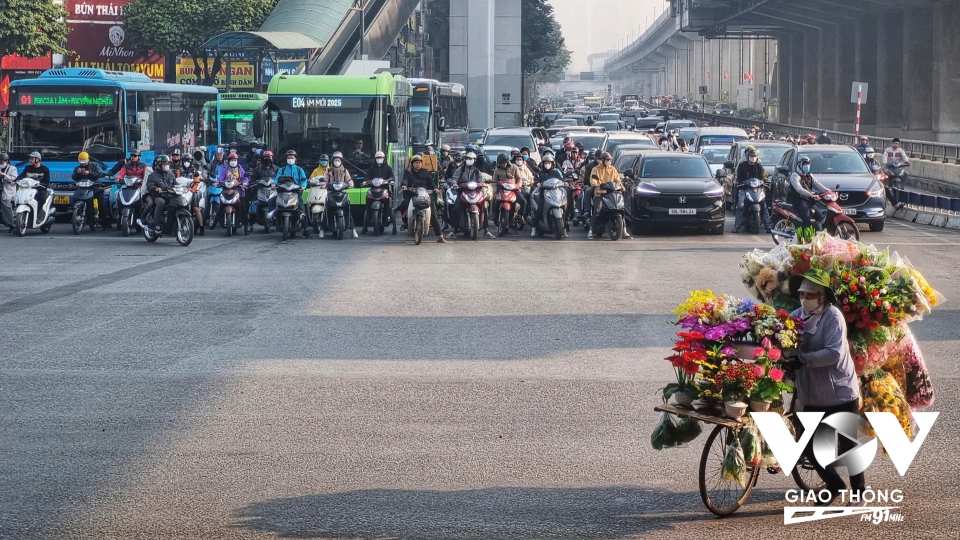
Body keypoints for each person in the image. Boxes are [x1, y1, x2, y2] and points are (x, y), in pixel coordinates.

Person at [788, 268, 863, 506]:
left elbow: (834, 353)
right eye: (801, 294)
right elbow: (785, 340)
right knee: (809, 445)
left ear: (822, 296)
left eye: (810, 295)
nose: (804, 299)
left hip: (840, 392)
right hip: (812, 394)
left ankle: (859, 493)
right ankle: (833, 485)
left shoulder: (833, 317)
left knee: (848, 445)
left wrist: (803, 359)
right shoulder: (795, 317)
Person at [397, 155, 446, 242]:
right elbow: (405, 180)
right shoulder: (408, 172)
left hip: (425, 194)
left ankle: (440, 236)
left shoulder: (426, 172)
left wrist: (435, 188)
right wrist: (404, 185)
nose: (417, 164)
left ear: (421, 164)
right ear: (412, 164)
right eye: (416, 163)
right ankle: (405, 222)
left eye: (419, 163)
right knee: (403, 205)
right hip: (413, 194)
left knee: (433, 214)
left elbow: (431, 182)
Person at [449, 151, 493, 239]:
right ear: (465, 159)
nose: (469, 160)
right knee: (456, 207)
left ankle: (486, 231)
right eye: (468, 158)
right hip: (463, 191)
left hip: (475, 192)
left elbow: (480, 181)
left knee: (483, 207)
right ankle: (453, 230)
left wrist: (481, 185)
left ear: (474, 160)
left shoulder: (477, 171)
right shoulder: (460, 169)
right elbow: (454, 178)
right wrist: (454, 183)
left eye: (471, 159)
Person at [587, 152, 630, 240]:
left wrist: (621, 186)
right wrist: (596, 184)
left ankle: (624, 231)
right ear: (602, 160)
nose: (609, 161)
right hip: (600, 193)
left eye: (610, 160)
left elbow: (617, 180)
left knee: (621, 209)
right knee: (596, 210)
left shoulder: (612, 169)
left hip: (612, 193)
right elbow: (593, 179)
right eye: (607, 160)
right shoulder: (596, 169)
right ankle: (590, 231)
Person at [788, 155, 829, 243]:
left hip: (809, 201)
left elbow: (818, 185)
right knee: (807, 220)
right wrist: (811, 195)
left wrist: (829, 191)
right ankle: (805, 240)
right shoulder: (795, 176)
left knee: (821, 218)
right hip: (799, 201)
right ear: (800, 165)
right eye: (805, 164)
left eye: (808, 164)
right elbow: (799, 189)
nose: (807, 166)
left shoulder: (809, 176)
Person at [732, 147, 771, 233]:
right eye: (751, 156)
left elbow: (762, 177)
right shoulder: (742, 165)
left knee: (764, 206)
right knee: (740, 205)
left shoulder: (759, 166)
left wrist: (763, 182)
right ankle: (737, 225)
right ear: (747, 156)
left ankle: (767, 225)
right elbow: (739, 178)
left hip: (758, 189)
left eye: (754, 156)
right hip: (745, 189)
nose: (753, 157)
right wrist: (743, 183)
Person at [530, 154, 568, 238]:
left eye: (549, 163)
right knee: (539, 209)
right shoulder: (540, 172)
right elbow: (536, 180)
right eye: (545, 163)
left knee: (565, 209)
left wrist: (565, 182)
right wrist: (538, 183)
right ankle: (534, 227)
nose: (547, 164)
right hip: (543, 192)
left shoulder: (556, 171)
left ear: (552, 163)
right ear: (543, 164)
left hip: (556, 192)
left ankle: (565, 229)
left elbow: (562, 179)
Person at [323, 151, 357, 238]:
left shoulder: (345, 171)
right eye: (335, 160)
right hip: (331, 193)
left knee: (348, 209)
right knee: (326, 209)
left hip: (342, 193)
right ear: (332, 161)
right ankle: (322, 230)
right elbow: (325, 180)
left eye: (338, 160)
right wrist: (323, 184)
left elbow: (349, 180)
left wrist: (350, 183)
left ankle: (353, 230)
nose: (337, 162)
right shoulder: (328, 170)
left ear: (341, 161)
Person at [71, 151, 110, 229]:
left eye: (85, 162)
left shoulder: (94, 166)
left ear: (88, 160)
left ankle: (105, 223)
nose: (83, 164)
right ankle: (78, 214)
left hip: (96, 188)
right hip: (83, 189)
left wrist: (89, 173)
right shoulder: (77, 168)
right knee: (75, 198)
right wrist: (77, 173)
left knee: (101, 205)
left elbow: (98, 174)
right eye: (82, 162)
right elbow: (74, 178)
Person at [363, 150, 396, 235]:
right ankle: (364, 227)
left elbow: (392, 176)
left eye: (380, 158)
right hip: (373, 190)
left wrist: (391, 180)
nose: (379, 159)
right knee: (367, 208)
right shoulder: (371, 168)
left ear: (384, 159)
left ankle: (394, 227)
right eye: (377, 158)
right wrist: (366, 181)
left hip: (384, 190)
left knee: (389, 207)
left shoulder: (388, 168)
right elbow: (367, 176)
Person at [216, 153, 249, 236]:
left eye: (234, 160)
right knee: (221, 205)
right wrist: (217, 183)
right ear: (229, 161)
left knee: (244, 208)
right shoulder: (226, 169)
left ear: (237, 161)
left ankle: (246, 227)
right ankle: (219, 220)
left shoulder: (240, 169)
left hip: (238, 190)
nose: (233, 162)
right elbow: (221, 178)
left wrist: (244, 183)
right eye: (231, 160)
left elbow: (245, 178)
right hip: (227, 190)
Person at [247, 150, 279, 233]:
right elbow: (252, 179)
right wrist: (254, 184)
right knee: (253, 205)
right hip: (260, 190)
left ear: (272, 158)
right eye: (266, 157)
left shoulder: (276, 169)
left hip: (273, 191)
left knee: (280, 204)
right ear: (262, 158)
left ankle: (281, 222)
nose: (267, 159)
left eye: (269, 157)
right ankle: (250, 224)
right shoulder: (258, 169)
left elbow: (281, 178)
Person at [144, 155, 176, 234]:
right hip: (158, 195)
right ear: (158, 165)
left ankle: (170, 225)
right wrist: (156, 188)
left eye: (167, 163)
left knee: (175, 203)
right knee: (160, 203)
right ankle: (157, 224)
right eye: (164, 164)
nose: (166, 165)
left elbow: (176, 184)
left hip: (169, 195)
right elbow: (149, 186)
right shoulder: (152, 175)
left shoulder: (170, 173)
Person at [1, 153, 18, 232]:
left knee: (7, 207)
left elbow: (13, 179)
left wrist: (3, 175)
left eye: (3, 160)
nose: (2, 162)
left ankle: (12, 225)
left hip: (6, 190)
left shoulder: (12, 168)